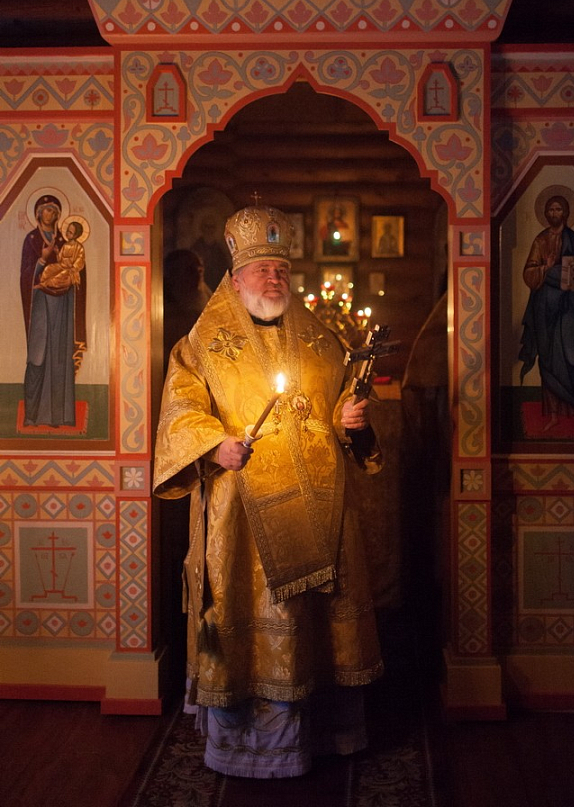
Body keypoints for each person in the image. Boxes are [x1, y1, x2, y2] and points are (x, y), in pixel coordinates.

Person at [153, 203, 384, 779]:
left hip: (319, 510)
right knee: (248, 618)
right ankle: (249, 749)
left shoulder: (321, 339)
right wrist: (215, 447)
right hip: (243, 515)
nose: (274, 279)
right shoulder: (202, 343)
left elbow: (339, 406)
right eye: (262, 270)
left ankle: (324, 734)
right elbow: (180, 410)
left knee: (317, 625)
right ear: (236, 280)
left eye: (281, 269)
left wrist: (350, 420)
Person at [519, 194, 574, 436]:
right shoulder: (540, 240)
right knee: (547, 360)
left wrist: (562, 275)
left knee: (572, 359)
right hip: (544, 309)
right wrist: (547, 268)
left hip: (569, 308)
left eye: (558, 209)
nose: (554, 213)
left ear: (566, 213)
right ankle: (554, 416)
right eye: (550, 209)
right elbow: (528, 274)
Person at [20, 195, 87, 427]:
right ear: (38, 213)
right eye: (47, 209)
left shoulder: (65, 240)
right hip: (40, 303)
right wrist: (42, 259)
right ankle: (31, 416)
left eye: (54, 211)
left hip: (63, 303)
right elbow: (25, 274)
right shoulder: (31, 239)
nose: (51, 214)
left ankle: (58, 417)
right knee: (37, 357)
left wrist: (71, 272)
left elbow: (79, 269)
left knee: (59, 357)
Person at [163, 249, 212, 363]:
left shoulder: (205, 297)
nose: (197, 275)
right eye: (189, 270)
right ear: (174, 274)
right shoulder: (164, 311)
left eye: (200, 270)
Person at [36, 220, 86, 295]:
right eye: (67, 231)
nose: (67, 233)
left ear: (76, 235)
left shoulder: (79, 247)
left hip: (71, 271)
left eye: (70, 232)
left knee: (60, 276)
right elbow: (60, 259)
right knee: (48, 268)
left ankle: (45, 284)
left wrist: (73, 268)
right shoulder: (65, 245)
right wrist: (57, 253)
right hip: (62, 266)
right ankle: (43, 282)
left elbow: (80, 260)